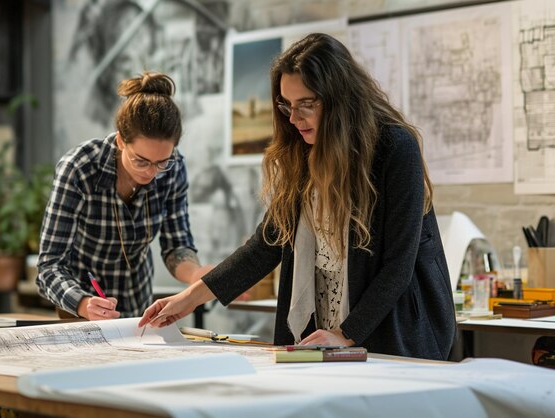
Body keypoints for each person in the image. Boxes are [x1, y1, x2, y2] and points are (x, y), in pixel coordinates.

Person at [139, 33, 456, 360]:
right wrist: (189, 298)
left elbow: (398, 266)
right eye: (287, 105)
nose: (294, 118)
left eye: (307, 104)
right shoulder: (304, 150)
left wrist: (346, 333)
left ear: (339, 98)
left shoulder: (395, 147)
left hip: (392, 328)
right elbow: (265, 246)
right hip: (325, 326)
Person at [37, 72, 211, 320]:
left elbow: (176, 244)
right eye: (141, 161)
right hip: (81, 311)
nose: (152, 173)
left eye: (162, 162)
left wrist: (195, 275)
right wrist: (84, 303)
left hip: (139, 305)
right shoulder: (80, 169)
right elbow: (50, 266)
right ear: (120, 141)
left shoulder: (174, 169)